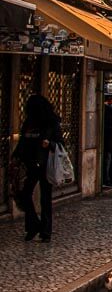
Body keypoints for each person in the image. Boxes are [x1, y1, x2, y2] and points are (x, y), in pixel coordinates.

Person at [14, 94, 62, 242]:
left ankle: (46, 231)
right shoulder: (29, 123)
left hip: (46, 165)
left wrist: (50, 144)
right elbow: (23, 141)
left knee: (45, 198)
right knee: (25, 194)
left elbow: (60, 144)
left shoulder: (52, 123)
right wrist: (16, 156)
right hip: (31, 164)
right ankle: (34, 225)